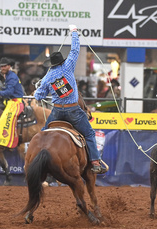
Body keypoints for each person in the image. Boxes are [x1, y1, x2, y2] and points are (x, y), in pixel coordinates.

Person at [34, 24, 108, 174]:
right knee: (89, 134)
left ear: (51, 64)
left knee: (43, 133)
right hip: (73, 111)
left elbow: (39, 96)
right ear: (61, 61)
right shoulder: (68, 66)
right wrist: (74, 32)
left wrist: (38, 90)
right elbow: (75, 50)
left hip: (56, 112)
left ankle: (36, 159)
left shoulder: (47, 77)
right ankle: (95, 162)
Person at [0, 57, 25, 148]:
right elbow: (9, 89)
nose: (2, 68)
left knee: (6, 119)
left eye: (4, 66)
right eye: (1, 66)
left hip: (16, 102)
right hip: (12, 101)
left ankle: (6, 142)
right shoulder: (9, 76)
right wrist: (1, 88)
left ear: (9, 66)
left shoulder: (11, 77)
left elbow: (9, 92)